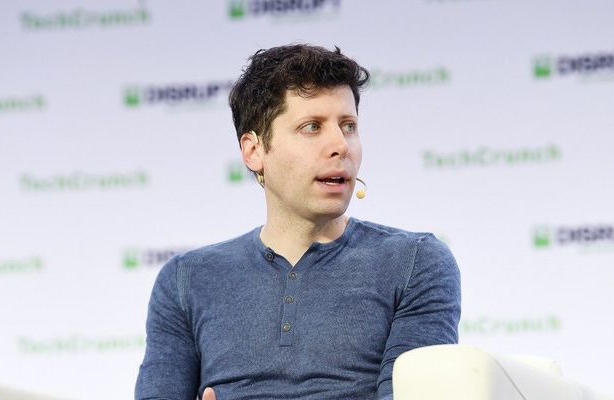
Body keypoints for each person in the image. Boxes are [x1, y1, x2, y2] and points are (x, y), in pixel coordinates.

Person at [135, 44, 461, 400]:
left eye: (349, 126)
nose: (340, 145)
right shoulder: (186, 279)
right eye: (312, 127)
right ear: (254, 151)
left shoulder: (415, 262)